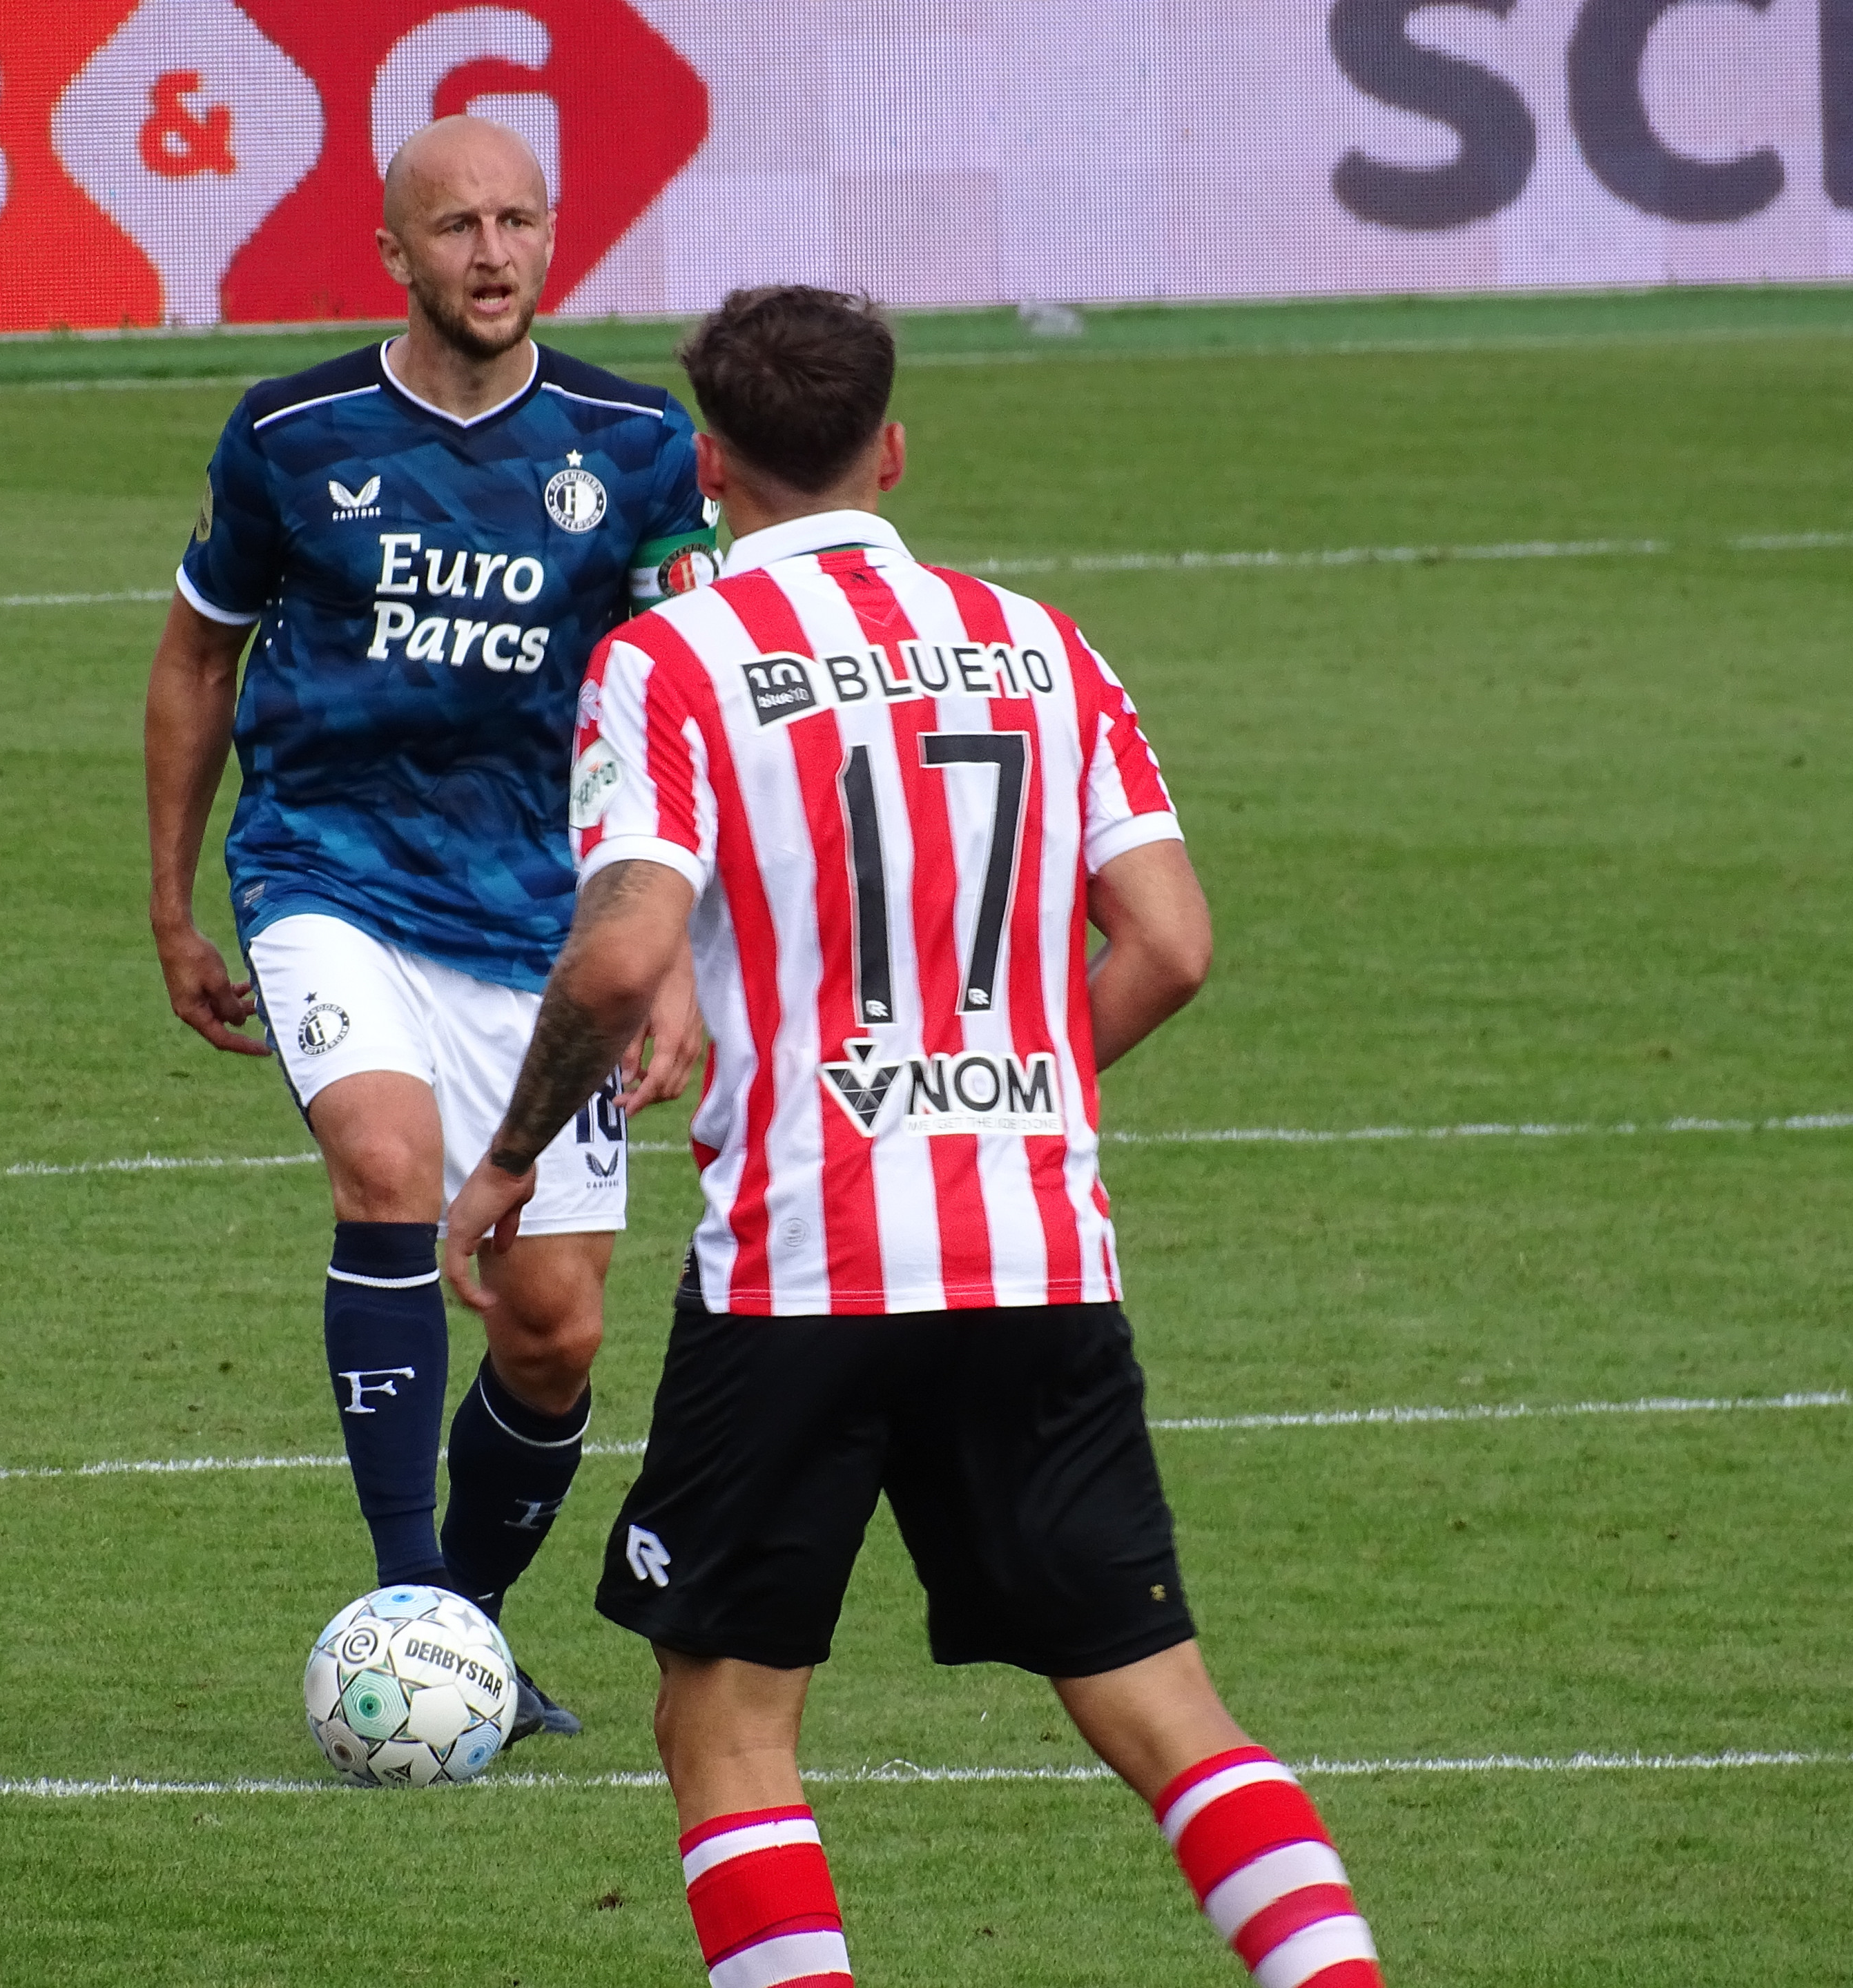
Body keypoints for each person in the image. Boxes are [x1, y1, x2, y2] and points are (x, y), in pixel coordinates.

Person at [444, 286, 1386, 1987]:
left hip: (802, 1271)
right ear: (891, 450)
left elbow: (623, 954)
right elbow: (1171, 944)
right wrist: (1010, 1086)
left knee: (727, 1725)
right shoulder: (1043, 644)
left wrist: (514, 1154)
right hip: (1037, 1255)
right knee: (1164, 1708)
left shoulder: (669, 659)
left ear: (710, 466)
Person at [143, 116, 714, 1743]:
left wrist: (676, 950)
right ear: (393, 252)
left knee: (555, 1330)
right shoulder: (290, 434)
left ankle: (463, 1639)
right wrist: (173, 904)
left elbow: (692, 702)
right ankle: (411, 1603)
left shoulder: (637, 445)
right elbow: (197, 658)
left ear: (553, 235)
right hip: (329, 875)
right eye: (457, 226)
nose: (492, 253)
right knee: (388, 1167)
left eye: (518, 221)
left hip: (546, 919)